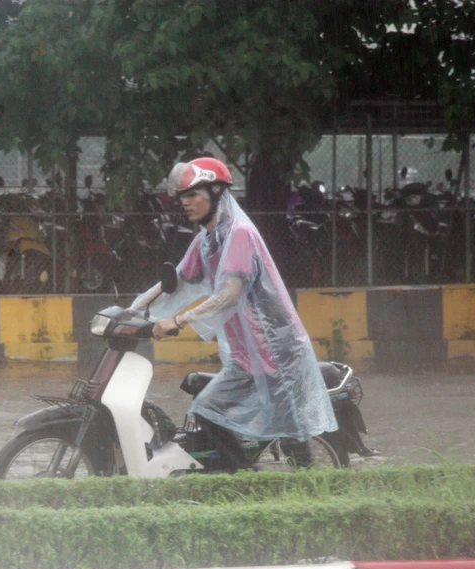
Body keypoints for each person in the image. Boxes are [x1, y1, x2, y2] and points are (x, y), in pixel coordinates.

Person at [131, 157, 337, 471]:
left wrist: (178, 320)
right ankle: (244, 476)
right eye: (183, 197)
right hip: (248, 356)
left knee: (288, 439)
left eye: (193, 195)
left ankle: (253, 480)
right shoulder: (207, 241)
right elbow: (174, 283)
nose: (185, 203)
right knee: (211, 411)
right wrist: (130, 312)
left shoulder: (240, 234)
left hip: (276, 354)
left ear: (216, 193)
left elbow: (230, 294)